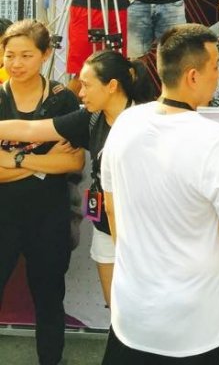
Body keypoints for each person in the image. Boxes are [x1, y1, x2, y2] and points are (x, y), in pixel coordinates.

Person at [100, 24, 219, 363]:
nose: (217, 75)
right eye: (214, 67)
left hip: (134, 312)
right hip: (200, 323)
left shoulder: (125, 123)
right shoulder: (215, 139)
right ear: (192, 76)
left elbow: (112, 211)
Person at [0, 49, 153, 306]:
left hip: (145, 230)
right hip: (104, 226)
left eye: (87, 85)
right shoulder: (90, 118)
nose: (80, 93)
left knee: (146, 306)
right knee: (117, 308)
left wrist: (16, 160)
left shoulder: (149, 121)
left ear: (112, 86)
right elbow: (30, 129)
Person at [0, 20, 84, 365]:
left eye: (26, 55)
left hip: (49, 217)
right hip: (3, 216)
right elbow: (57, 161)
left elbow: (73, 161)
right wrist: (44, 163)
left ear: (46, 54)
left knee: (49, 297)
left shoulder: (62, 100)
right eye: (9, 55)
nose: (16, 63)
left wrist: (14, 159)